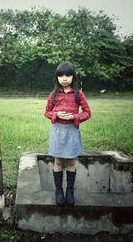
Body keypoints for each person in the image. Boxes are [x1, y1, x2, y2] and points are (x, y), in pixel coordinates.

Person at [44, 62, 91, 206]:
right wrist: (56, 114)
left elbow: (87, 112)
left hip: (72, 131)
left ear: (73, 77)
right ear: (57, 78)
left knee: (71, 161)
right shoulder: (53, 94)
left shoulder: (78, 93)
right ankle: (59, 191)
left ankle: (70, 191)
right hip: (58, 131)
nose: (64, 78)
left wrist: (74, 117)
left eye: (68, 75)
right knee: (58, 161)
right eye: (61, 75)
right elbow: (46, 112)